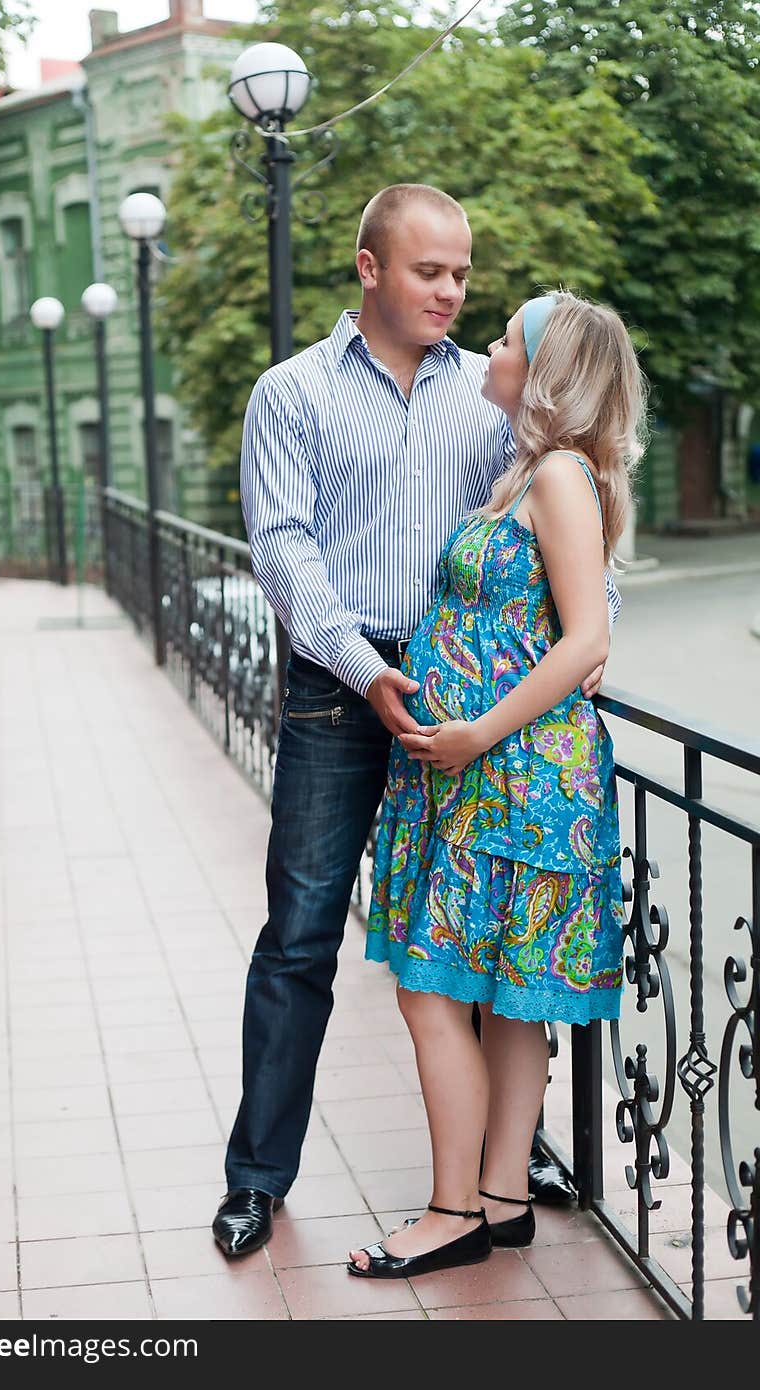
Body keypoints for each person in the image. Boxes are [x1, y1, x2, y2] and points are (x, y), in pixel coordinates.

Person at [213, 185, 616, 1258]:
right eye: (428, 271)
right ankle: (257, 1175)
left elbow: (556, 525)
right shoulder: (290, 392)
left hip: (473, 708)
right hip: (336, 686)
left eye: (462, 276)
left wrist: (581, 641)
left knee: (473, 929)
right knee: (302, 938)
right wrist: (358, 664)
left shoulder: (490, 399)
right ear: (368, 268)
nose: (448, 291)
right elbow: (284, 546)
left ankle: (499, 1169)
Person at [347, 290, 645, 1277]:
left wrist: (473, 732)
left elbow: (584, 639)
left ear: (545, 369)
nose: (486, 347)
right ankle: (503, 1193)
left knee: (430, 993)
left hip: (512, 776)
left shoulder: (556, 475)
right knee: (509, 997)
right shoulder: (533, 472)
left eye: (504, 339)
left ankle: (451, 1208)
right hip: (499, 777)